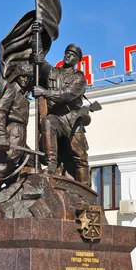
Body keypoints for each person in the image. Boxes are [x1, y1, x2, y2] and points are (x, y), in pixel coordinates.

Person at [0, 62, 34, 220]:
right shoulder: (11, 90)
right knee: (1, 168)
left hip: (21, 134)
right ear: (17, 75)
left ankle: (9, 197)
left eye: (28, 77)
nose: (25, 80)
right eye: (22, 76)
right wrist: (1, 136)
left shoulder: (23, 95)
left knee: (32, 162)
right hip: (13, 132)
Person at [33, 43, 91, 187]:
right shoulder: (54, 72)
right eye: (67, 53)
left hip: (73, 119)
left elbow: (68, 95)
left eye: (72, 55)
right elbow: (43, 65)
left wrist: (46, 93)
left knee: (80, 156)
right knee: (47, 122)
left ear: (77, 60)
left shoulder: (80, 79)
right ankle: (52, 165)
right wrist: (37, 46)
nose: (68, 56)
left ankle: (85, 186)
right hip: (57, 117)